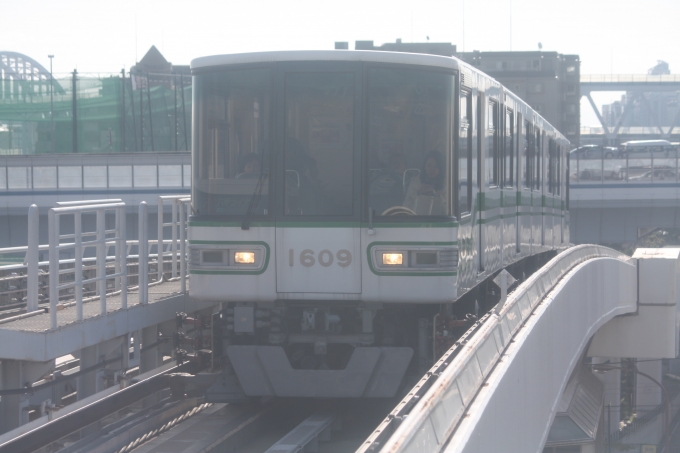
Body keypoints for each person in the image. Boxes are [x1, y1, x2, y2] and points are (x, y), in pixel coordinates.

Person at [403, 150, 447, 215]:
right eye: (429, 165)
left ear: (441, 169)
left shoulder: (447, 185)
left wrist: (436, 196)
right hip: (416, 222)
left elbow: (448, 212)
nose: (432, 169)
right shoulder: (415, 182)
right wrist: (418, 193)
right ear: (425, 167)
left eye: (436, 166)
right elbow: (405, 209)